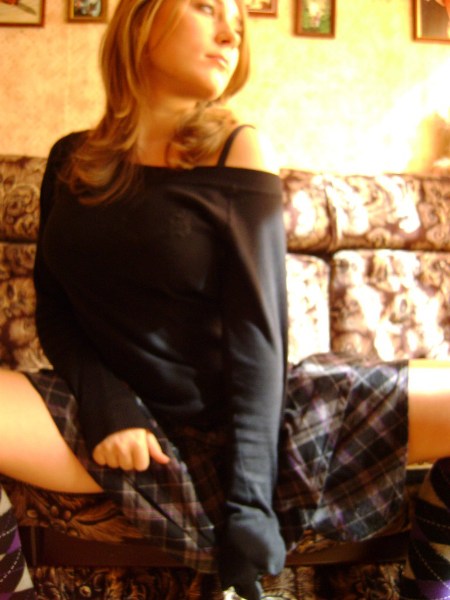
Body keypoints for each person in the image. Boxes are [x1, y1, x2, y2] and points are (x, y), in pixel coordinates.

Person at [1, 0, 450, 599]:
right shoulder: (71, 159)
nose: (229, 33)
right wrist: (112, 407)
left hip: (244, 416)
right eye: (206, 8)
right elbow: (55, 310)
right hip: (109, 414)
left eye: (237, 24)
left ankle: (430, 581)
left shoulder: (238, 148)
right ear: (143, 21)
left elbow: (258, 335)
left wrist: (250, 504)